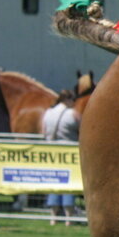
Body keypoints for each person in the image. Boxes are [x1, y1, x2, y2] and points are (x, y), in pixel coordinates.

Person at [41, 90, 81, 226]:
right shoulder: (72, 114)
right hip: (70, 154)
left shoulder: (48, 113)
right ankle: (69, 218)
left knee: (54, 183)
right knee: (69, 184)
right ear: (69, 100)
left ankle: (53, 217)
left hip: (52, 153)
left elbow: (43, 132)